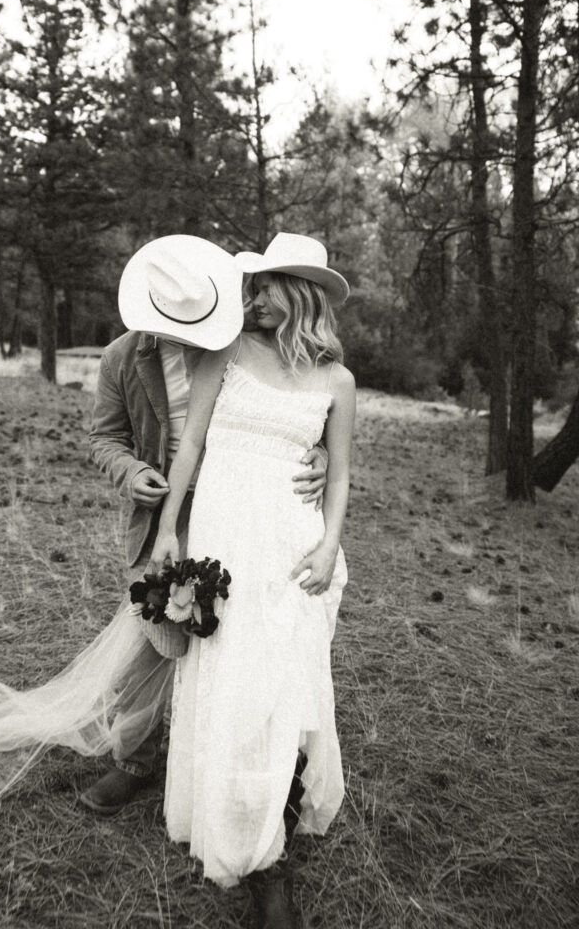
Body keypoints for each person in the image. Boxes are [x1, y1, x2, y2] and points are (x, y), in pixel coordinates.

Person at [148, 232, 356, 929]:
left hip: (293, 546)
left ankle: (275, 835)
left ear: (301, 293)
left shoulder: (337, 381)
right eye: (253, 284)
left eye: (268, 286)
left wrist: (329, 543)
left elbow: (342, 471)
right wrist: (169, 525)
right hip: (224, 538)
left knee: (286, 681)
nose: (255, 297)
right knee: (229, 668)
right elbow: (193, 441)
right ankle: (243, 831)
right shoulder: (224, 352)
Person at [81, 234, 329, 814]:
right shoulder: (121, 357)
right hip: (164, 509)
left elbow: (299, 409)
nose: (182, 336)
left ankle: (236, 758)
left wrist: (317, 456)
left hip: (237, 504)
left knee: (239, 631)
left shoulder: (246, 344)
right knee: (156, 633)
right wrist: (130, 469)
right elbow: (103, 437)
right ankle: (135, 760)